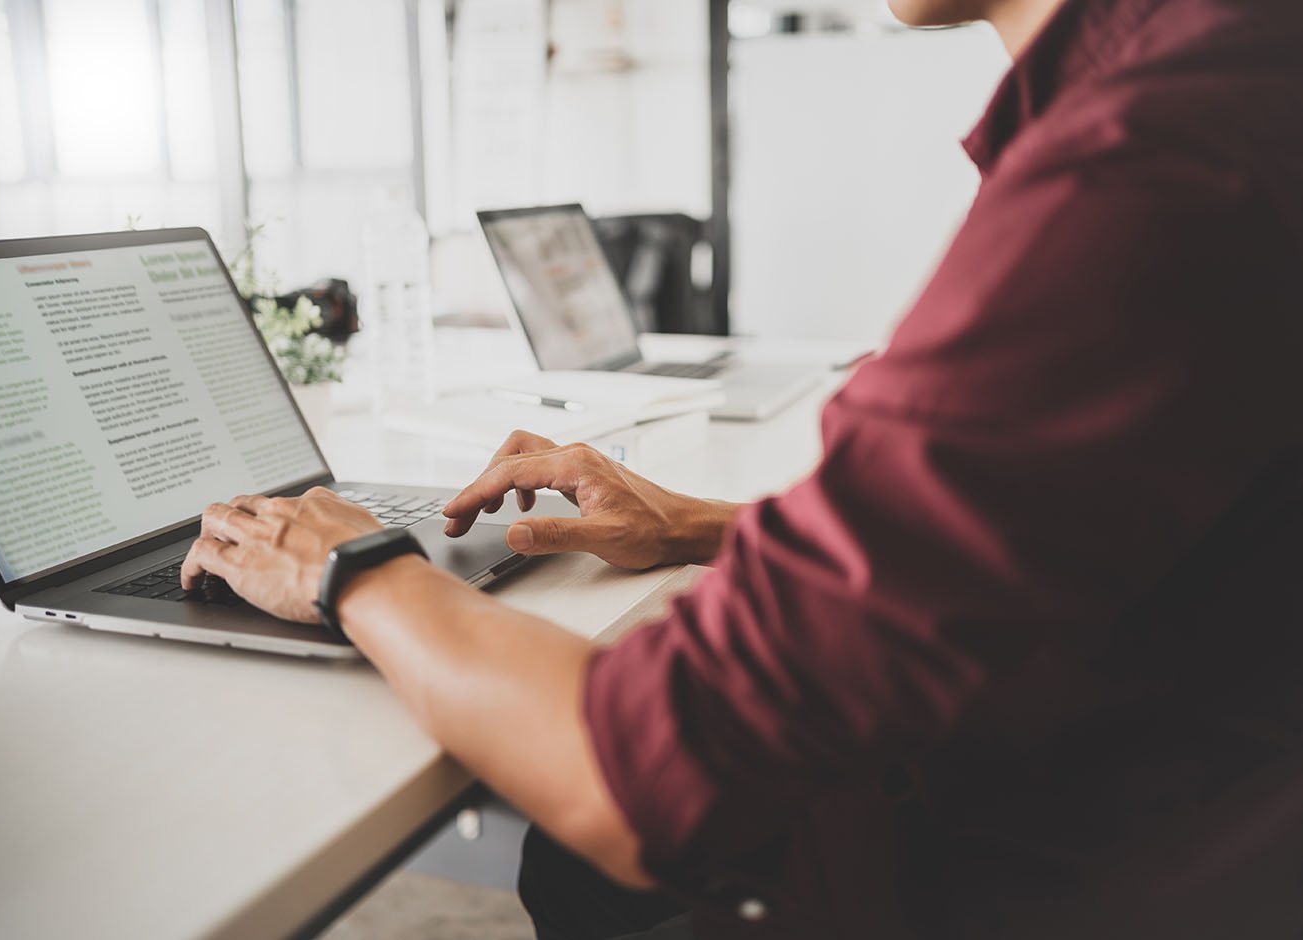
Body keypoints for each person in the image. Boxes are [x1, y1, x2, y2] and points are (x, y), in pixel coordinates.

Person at [182, 0, 1303, 935]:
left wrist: (357, 564)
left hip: (1046, 867)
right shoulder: (1230, 79)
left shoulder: (1142, 162)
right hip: (1160, 789)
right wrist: (699, 522)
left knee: (585, 868)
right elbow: (1088, 502)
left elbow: (646, 774)